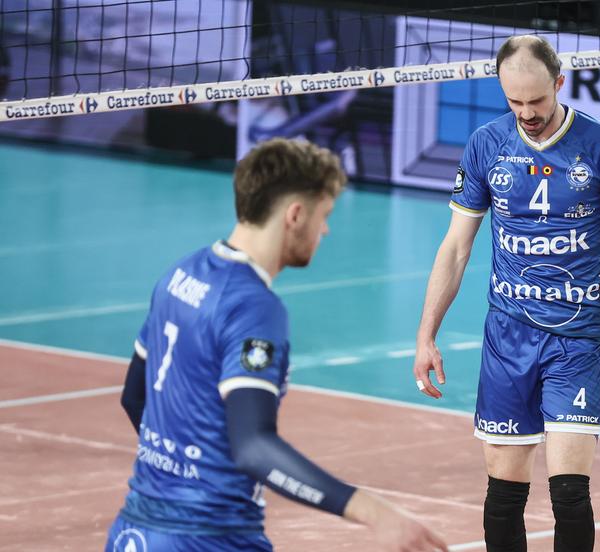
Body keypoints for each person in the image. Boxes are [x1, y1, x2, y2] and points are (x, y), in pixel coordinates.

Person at [107, 138, 448, 552]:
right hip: (212, 537)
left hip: (135, 530)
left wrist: (178, 474)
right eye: (325, 215)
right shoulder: (253, 306)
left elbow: (133, 396)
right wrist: (374, 511)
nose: (325, 230)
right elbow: (254, 446)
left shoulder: (180, 274)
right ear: (295, 214)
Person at [412, 35, 600, 552]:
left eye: (537, 100)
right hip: (508, 337)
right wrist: (425, 335)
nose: (527, 112)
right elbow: (457, 247)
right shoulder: (487, 143)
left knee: (569, 491)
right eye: (515, 102)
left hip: (578, 338)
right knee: (504, 493)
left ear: (559, 83)